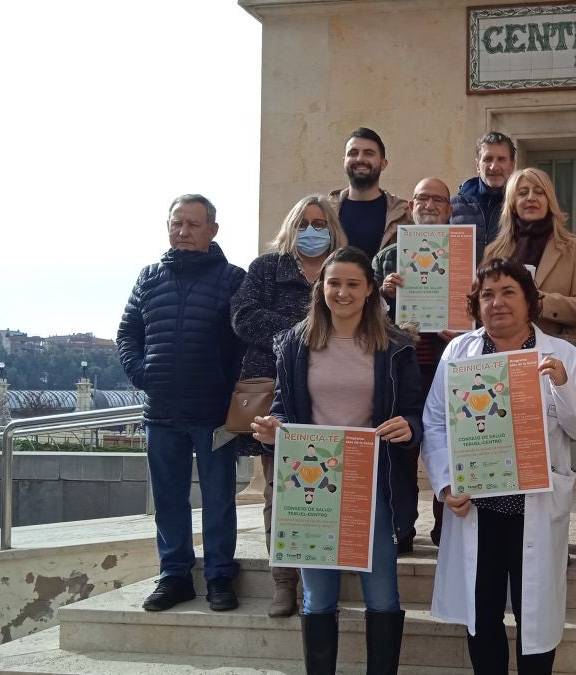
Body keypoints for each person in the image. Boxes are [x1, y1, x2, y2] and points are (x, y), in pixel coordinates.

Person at [250, 246, 424, 675]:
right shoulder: (294, 343)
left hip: (372, 481)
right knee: (317, 596)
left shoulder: (396, 346)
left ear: (369, 290)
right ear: (320, 288)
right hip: (312, 483)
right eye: (333, 283)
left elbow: (417, 412)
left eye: (352, 284)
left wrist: (409, 427)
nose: (342, 292)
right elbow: (284, 408)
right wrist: (274, 429)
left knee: (382, 594)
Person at [422, 258, 576, 675]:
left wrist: (562, 386)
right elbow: (436, 421)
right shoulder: (459, 352)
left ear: (529, 301)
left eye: (508, 293)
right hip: (478, 506)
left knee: (534, 617)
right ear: (476, 304)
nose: (497, 302)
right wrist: (446, 484)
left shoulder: (561, 355)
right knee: (482, 614)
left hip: (532, 506)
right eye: (487, 294)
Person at [117, 194, 246, 612]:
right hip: (161, 412)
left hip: (215, 414)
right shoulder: (148, 278)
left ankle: (220, 576)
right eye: (177, 223)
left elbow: (244, 343)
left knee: (219, 499)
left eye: (193, 224)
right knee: (168, 499)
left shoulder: (233, 279)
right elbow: (127, 334)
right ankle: (174, 576)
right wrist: (143, 374)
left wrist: (230, 388)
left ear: (212, 230)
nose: (183, 231)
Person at [230, 194, 346, 616]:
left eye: (320, 223)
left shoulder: (344, 267)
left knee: (329, 488)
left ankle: (325, 578)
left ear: (332, 229)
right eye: (304, 223)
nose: (312, 231)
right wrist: (305, 331)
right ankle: (284, 582)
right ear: (291, 227)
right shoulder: (266, 268)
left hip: (333, 395)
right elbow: (244, 317)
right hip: (277, 395)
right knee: (279, 493)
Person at [375, 176, 461, 552]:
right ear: (410, 207)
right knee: (401, 447)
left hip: (449, 366)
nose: (428, 205)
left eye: (437, 199)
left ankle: (447, 528)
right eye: (421, 198)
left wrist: (463, 326)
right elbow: (364, 316)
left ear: (449, 209)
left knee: (451, 446)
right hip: (401, 368)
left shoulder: (464, 255)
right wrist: (383, 295)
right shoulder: (387, 258)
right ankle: (402, 527)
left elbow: (480, 307)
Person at [481, 168, 576, 337]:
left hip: (556, 348)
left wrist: (541, 303)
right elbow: (483, 300)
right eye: (522, 193)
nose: (531, 198)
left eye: (539, 192)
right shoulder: (494, 251)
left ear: (549, 201)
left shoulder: (575, 247)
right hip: (505, 347)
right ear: (512, 204)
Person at [328, 127, 412, 258]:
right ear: (344, 161)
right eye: (353, 153)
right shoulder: (327, 212)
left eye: (368, 153)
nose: (360, 158)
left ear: (383, 163)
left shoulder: (403, 215)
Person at [451, 131, 517, 260]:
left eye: (501, 159)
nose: (494, 166)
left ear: (512, 165)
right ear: (477, 165)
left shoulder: (521, 206)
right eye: (488, 159)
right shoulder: (454, 206)